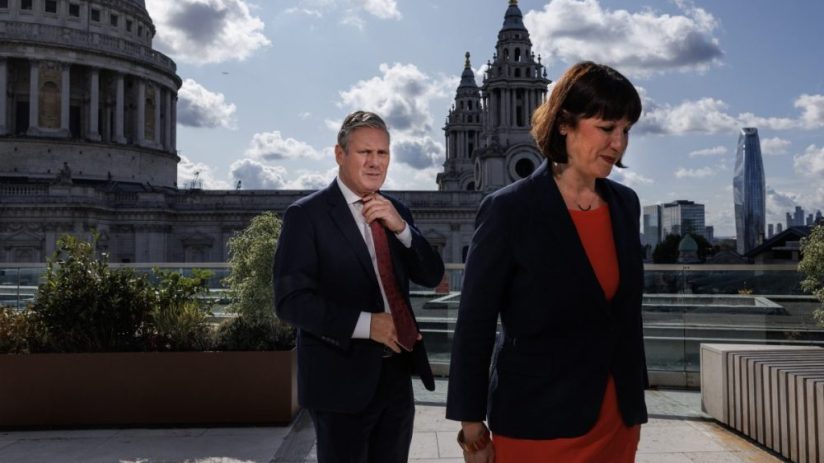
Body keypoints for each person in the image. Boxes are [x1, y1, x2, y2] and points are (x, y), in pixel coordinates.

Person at [445, 61, 648, 462]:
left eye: (626, 130)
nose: (619, 143)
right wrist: (471, 426)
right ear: (564, 124)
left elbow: (624, 317)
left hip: (616, 420)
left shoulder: (625, 204)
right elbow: (475, 323)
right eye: (607, 128)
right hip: (537, 418)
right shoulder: (509, 209)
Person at [273, 110, 445, 463]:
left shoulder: (398, 211)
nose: (375, 162)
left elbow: (431, 275)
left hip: (397, 376)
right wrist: (368, 325)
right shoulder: (306, 215)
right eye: (365, 152)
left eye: (382, 153)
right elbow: (291, 301)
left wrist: (402, 230)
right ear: (340, 154)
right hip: (339, 383)